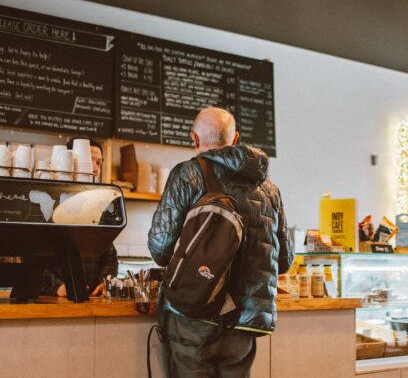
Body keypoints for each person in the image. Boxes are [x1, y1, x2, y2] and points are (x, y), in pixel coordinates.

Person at [148, 106, 293, 377]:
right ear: (234, 139)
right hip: (246, 321)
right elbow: (284, 261)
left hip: (194, 313)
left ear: (194, 138)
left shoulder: (188, 174)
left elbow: (160, 247)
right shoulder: (270, 189)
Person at [43, 137, 118, 297]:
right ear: (70, 161)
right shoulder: (48, 202)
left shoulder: (99, 205)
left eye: (99, 163)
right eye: (89, 160)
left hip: (89, 299)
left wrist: (103, 283)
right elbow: (33, 255)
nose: (96, 168)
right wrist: (58, 286)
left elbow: (109, 255)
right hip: (52, 299)